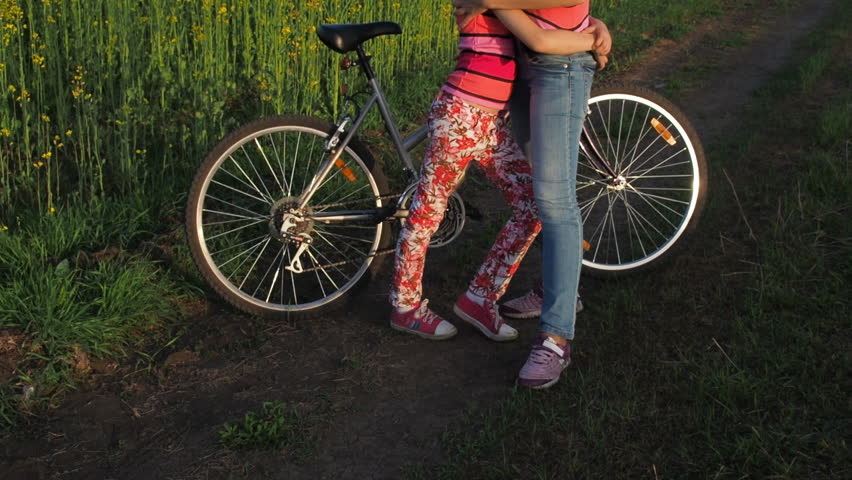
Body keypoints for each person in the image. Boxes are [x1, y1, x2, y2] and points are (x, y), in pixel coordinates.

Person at [389, 5, 607, 345]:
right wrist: (591, 39)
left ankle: (480, 296)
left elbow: (544, 22)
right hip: (460, 114)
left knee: (533, 206)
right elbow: (539, 36)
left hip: (490, 123)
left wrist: (593, 25)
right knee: (427, 212)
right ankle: (405, 306)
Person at [453, 0, 612, 389]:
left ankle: (556, 338)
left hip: (562, 66)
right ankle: (559, 291)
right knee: (541, 194)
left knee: (556, 200)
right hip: (524, 62)